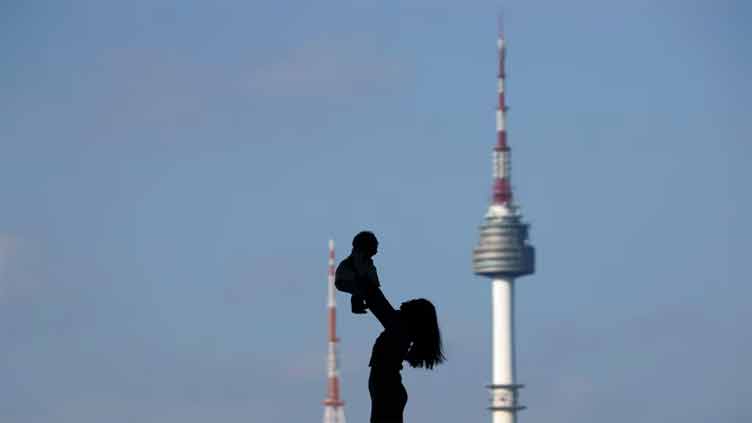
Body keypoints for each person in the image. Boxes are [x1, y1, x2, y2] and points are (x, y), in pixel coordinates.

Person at [361, 284, 445, 423]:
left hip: (388, 388)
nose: (403, 303)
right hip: (390, 388)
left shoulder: (398, 329)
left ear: (413, 316)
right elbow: (374, 298)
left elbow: (374, 297)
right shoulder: (401, 330)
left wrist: (362, 279)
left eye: (411, 304)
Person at [335, 231, 380, 314]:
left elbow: (371, 273)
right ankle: (357, 305)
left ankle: (359, 304)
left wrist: (375, 284)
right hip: (346, 277)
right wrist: (372, 283)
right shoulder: (359, 257)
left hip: (348, 278)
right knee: (362, 288)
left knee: (362, 290)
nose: (377, 246)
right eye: (375, 244)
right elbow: (361, 269)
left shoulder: (367, 261)